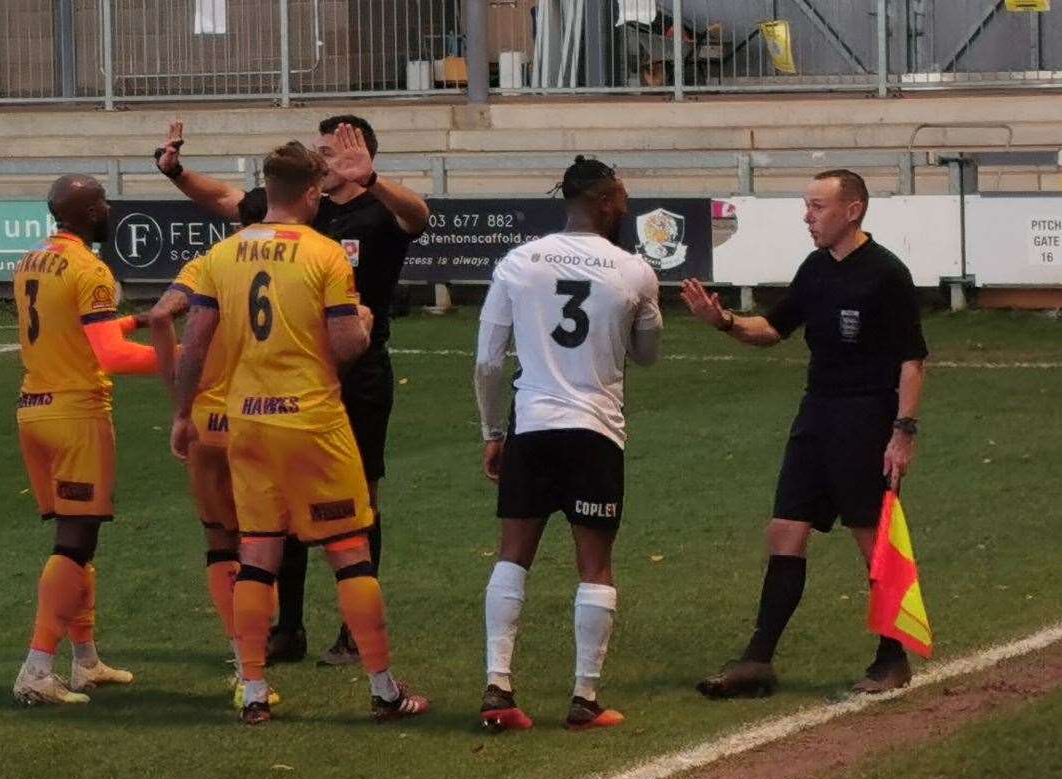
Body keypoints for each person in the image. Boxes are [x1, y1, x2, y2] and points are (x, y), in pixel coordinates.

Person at [170, 141, 429, 724]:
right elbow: (343, 347)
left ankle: (255, 691)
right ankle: (384, 689)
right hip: (312, 420)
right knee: (349, 551)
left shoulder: (225, 253)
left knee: (258, 552)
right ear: (312, 194)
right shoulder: (325, 254)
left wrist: (184, 413)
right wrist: (361, 325)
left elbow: (194, 344)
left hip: (247, 421)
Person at [682, 169, 928, 698]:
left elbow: (913, 360)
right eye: (806, 205)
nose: (807, 216)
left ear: (853, 210)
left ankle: (892, 658)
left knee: (873, 541)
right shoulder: (815, 269)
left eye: (818, 206)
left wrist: (902, 433)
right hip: (816, 416)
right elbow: (773, 329)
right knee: (785, 531)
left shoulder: (887, 273)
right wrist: (723, 321)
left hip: (866, 420)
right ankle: (758, 660)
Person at [473, 157, 663, 732]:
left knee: (513, 556)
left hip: (531, 427)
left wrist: (491, 432)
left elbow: (487, 361)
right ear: (605, 201)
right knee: (595, 564)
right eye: (623, 198)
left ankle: (497, 688)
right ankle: (584, 699)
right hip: (596, 432)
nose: (627, 207)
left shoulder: (517, 262)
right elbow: (647, 355)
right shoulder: (634, 271)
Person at [10, 175, 162, 705]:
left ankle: (85, 661)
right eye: (102, 201)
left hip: (35, 411)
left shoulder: (32, 260)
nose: (110, 207)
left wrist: (139, 320)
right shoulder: (90, 269)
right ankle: (35, 669)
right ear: (88, 211)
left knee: (80, 539)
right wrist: (185, 358)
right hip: (76, 414)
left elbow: (76, 332)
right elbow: (110, 357)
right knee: (73, 546)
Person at [148, 195, 282, 710]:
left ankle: (240, 661)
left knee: (220, 543)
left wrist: (176, 400)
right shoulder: (294, 259)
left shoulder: (209, 263)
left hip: (208, 422)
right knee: (265, 540)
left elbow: (161, 316)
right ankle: (260, 653)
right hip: (265, 416)